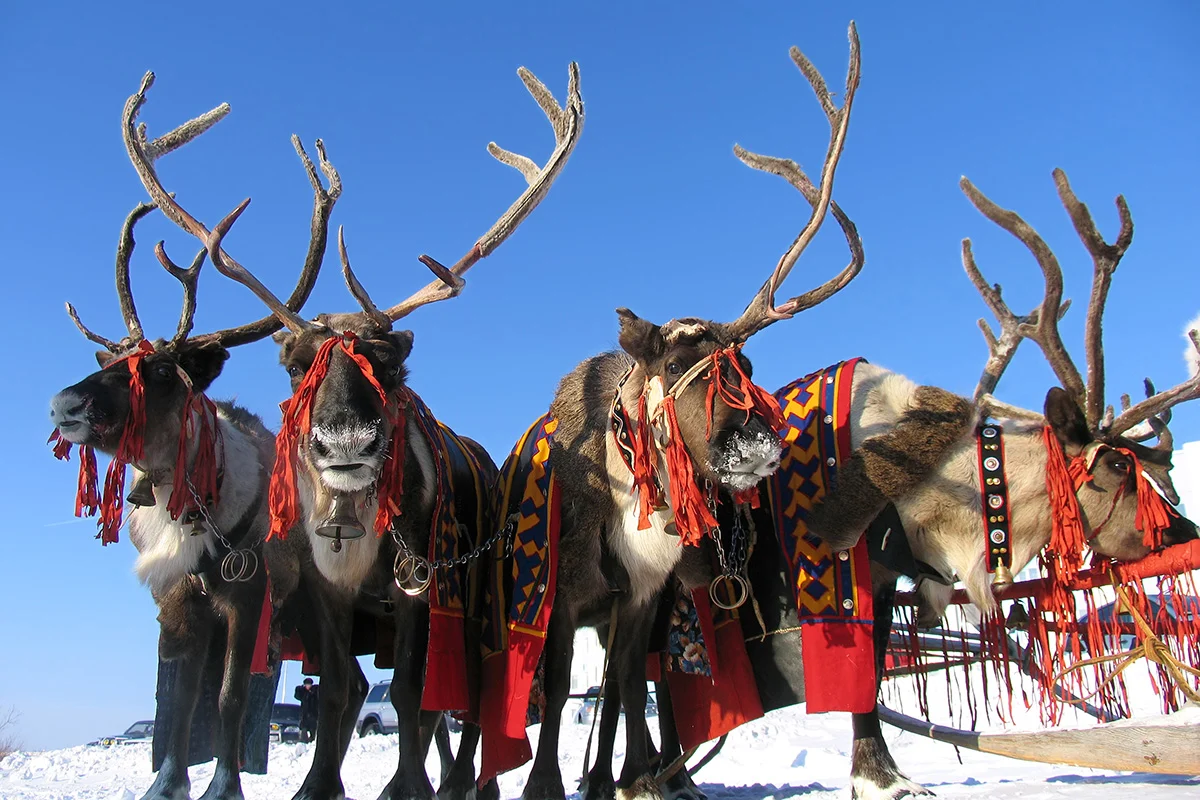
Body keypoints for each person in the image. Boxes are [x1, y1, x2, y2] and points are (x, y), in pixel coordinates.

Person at [293, 678, 319, 743]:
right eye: (306, 684)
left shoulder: (314, 691)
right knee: (303, 728)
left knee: (313, 728)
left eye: (309, 684)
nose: (308, 686)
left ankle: (312, 740)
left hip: (313, 713)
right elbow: (297, 695)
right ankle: (304, 741)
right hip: (304, 713)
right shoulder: (303, 692)